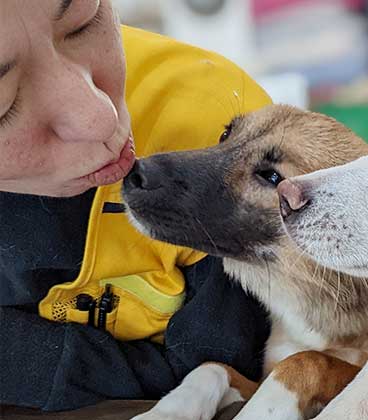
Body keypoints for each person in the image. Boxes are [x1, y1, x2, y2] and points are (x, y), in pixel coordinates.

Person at [0, 0, 271, 411]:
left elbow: (219, 377)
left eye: (83, 23)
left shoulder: (219, 131)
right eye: (4, 105)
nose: (101, 118)